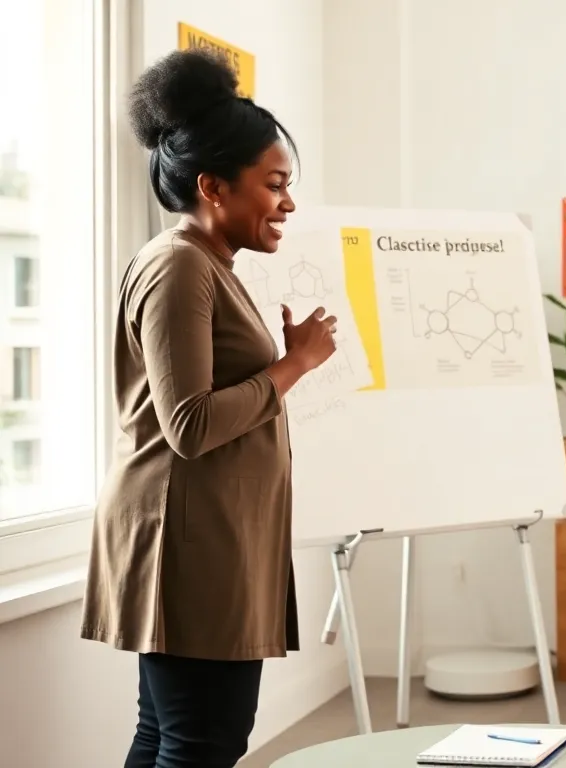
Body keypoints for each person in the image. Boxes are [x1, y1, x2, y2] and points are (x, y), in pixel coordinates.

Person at [80, 49, 337, 767]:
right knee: (202, 742)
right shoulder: (181, 265)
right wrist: (295, 363)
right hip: (188, 546)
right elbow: (189, 426)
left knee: (171, 736)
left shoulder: (205, 263)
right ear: (213, 186)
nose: (288, 204)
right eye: (274, 185)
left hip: (205, 540)